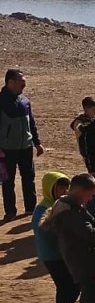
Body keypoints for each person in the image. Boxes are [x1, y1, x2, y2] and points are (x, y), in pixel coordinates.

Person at [42, 173, 95, 303]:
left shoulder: (69, 204)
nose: (90, 199)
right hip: (78, 256)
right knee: (90, 292)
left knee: (90, 292)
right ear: (80, 190)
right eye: (89, 194)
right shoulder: (70, 210)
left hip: (78, 254)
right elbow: (87, 233)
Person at [1, 69, 44, 222]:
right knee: (8, 181)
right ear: (10, 82)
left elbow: (31, 123)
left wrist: (37, 143)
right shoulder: (1, 101)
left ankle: (30, 209)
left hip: (26, 146)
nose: (24, 85)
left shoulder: (25, 101)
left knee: (29, 178)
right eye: (21, 82)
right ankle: (10, 211)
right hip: (7, 149)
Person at [33, 172, 76, 303]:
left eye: (66, 188)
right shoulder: (43, 209)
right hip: (52, 256)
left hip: (63, 254)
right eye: (60, 188)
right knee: (65, 286)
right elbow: (44, 232)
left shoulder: (63, 205)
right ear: (50, 189)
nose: (64, 191)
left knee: (72, 284)